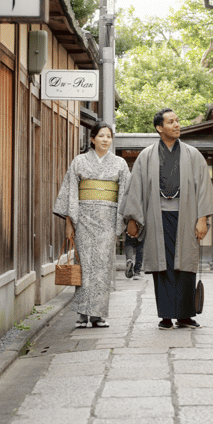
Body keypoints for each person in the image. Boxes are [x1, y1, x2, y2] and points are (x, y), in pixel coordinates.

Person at [120, 108, 213, 330]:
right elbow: (136, 189)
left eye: (177, 121)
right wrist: (133, 219)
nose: (177, 125)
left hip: (187, 214)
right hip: (157, 215)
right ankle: (165, 315)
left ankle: (184, 316)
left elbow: (203, 188)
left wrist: (202, 218)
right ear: (159, 128)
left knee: (185, 264)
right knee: (162, 266)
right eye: (171, 122)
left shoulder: (193, 155)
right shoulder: (146, 156)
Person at [54, 122, 130, 328]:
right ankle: (82, 312)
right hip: (84, 219)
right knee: (85, 266)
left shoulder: (120, 164)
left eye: (109, 136)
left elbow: (124, 194)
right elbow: (71, 193)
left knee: (103, 267)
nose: (106, 139)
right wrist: (69, 224)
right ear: (92, 139)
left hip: (107, 218)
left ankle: (97, 314)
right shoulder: (79, 162)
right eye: (101, 136)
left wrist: (121, 223)